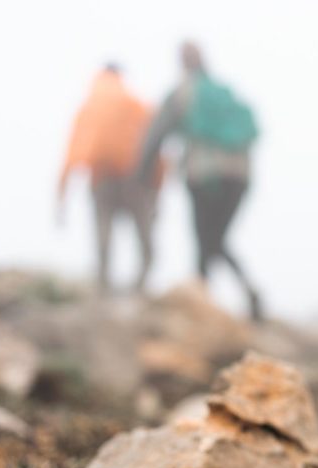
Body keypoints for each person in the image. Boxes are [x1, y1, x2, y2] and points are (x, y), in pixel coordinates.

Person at [138, 42, 262, 321]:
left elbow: (155, 136)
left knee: (205, 240)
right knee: (216, 239)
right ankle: (246, 290)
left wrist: (143, 174)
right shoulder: (224, 93)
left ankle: (203, 305)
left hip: (204, 175)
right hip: (239, 175)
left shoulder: (182, 94)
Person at [58, 64, 161, 292]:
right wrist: (156, 189)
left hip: (101, 178)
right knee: (144, 233)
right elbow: (154, 143)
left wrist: (61, 196)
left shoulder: (88, 106)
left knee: (103, 232)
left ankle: (103, 285)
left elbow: (71, 151)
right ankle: (140, 284)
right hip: (134, 179)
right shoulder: (134, 102)